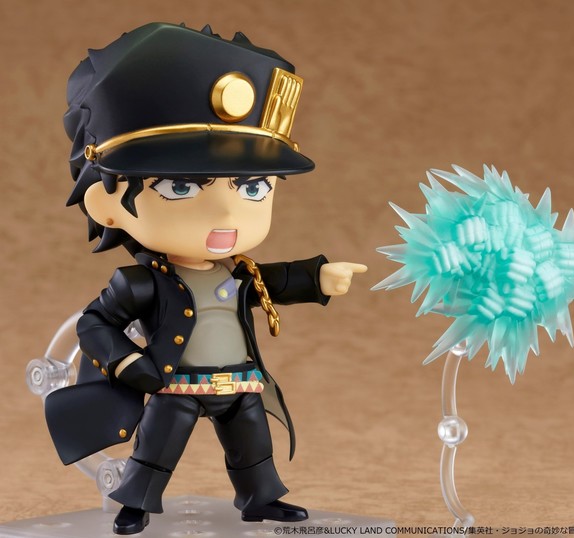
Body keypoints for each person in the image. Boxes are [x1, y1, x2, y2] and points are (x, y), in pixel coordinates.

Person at [44, 22, 367, 535]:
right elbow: (94, 324)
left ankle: (260, 497)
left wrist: (318, 276)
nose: (225, 213)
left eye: (253, 188)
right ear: (106, 203)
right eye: (181, 187)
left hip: (239, 380)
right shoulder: (141, 283)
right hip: (175, 384)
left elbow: (273, 282)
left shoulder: (239, 272)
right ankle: (136, 502)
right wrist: (127, 361)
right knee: (155, 449)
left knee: (252, 444)